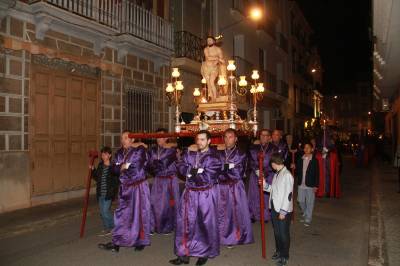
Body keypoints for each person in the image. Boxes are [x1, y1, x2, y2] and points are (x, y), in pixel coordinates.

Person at [170, 130, 221, 266]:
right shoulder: (190, 154)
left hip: (205, 194)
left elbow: (208, 177)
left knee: (203, 224)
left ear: (209, 141)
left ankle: (203, 253)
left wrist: (191, 172)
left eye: (203, 139)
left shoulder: (214, 157)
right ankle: (183, 254)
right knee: (185, 224)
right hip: (189, 194)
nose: (199, 142)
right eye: (198, 139)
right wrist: (193, 172)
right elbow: (180, 167)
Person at [98, 130, 150, 252]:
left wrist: (122, 167)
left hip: (138, 188)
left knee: (138, 214)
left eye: (126, 138)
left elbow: (135, 167)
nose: (123, 140)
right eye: (122, 138)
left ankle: (140, 240)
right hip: (125, 188)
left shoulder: (139, 151)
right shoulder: (119, 152)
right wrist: (122, 167)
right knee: (122, 215)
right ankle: (117, 242)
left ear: (132, 140)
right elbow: (114, 169)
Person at [217, 129, 254, 247]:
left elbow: (237, 173)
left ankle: (233, 237)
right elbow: (214, 170)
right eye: (226, 137)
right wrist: (226, 168)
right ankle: (220, 236)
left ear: (236, 139)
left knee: (234, 213)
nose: (228, 139)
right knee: (220, 212)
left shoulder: (241, 153)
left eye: (231, 137)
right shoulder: (219, 153)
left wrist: (222, 169)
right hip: (220, 187)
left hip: (235, 186)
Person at [261, 152, 294, 266]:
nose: (271, 166)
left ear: (275, 163)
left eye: (271, 164)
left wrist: (283, 212)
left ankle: (285, 256)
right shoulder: (277, 174)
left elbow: (288, 195)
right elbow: (274, 190)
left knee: (283, 234)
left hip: (282, 210)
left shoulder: (287, 175)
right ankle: (279, 251)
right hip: (275, 207)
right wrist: (265, 185)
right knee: (277, 233)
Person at [147, 128, 180, 235]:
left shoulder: (171, 150)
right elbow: (149, 165)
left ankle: (168, 227)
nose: (159, 139)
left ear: (166, 137)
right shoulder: (152, 150)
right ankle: (153, 225)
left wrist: (154, 164)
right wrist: (153, 165)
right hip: (158, 179)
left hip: (169, 180)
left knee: (168, 205)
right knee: (154, 202)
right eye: (157, 137)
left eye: (161, 137)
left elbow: (163, 163)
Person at [91, 146, 119, 236]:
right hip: (100, 193)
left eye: (105, 154)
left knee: (105, 211)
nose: (103, 156)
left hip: (108, 193)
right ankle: (107, 228)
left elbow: (115, 181)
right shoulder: (100, 165)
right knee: (102, 212)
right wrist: (93, 170)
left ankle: (115, 226)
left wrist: (113, 192)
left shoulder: (113, 167)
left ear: (110, 155)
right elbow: (97, 177)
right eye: (102, 154)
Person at [247, 129, 273, 222]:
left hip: (269, 175)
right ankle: (253, 214)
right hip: (255, 174)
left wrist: (265, 171)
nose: (263, 137)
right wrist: (257, 170)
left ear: (269, 137)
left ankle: (266, 216)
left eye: (266, 135)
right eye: (262, 135)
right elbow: (250, 161)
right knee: (254, 195)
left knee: (266, 196)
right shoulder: (253, 148)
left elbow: (275, 162)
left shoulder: (273, 148)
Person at [294, 142, 319, 226]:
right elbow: (297, 171)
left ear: (312, 149)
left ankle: (308, 218)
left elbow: (317, 174)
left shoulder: (314, 160)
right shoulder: (300, 159)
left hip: (310, 185)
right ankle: (305, 213)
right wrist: (294, 166)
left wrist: (316, 185)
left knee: (309, 202)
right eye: (305, 147)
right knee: (300, 200)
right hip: (301, 184)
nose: (306, 149)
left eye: (308, 148)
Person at [201, 36, 226, 102]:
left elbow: (222, 59)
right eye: (207, 40)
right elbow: (208, 58)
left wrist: (218, 60)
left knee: (212, 82)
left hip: (214, 68)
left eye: (210, 40)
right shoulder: (206, 49)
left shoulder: (218, 49)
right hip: (206, 67)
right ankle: (211, 97)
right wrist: (217, 59)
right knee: (208, 83)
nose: (208, 41)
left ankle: (215, 98)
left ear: (213, 41)